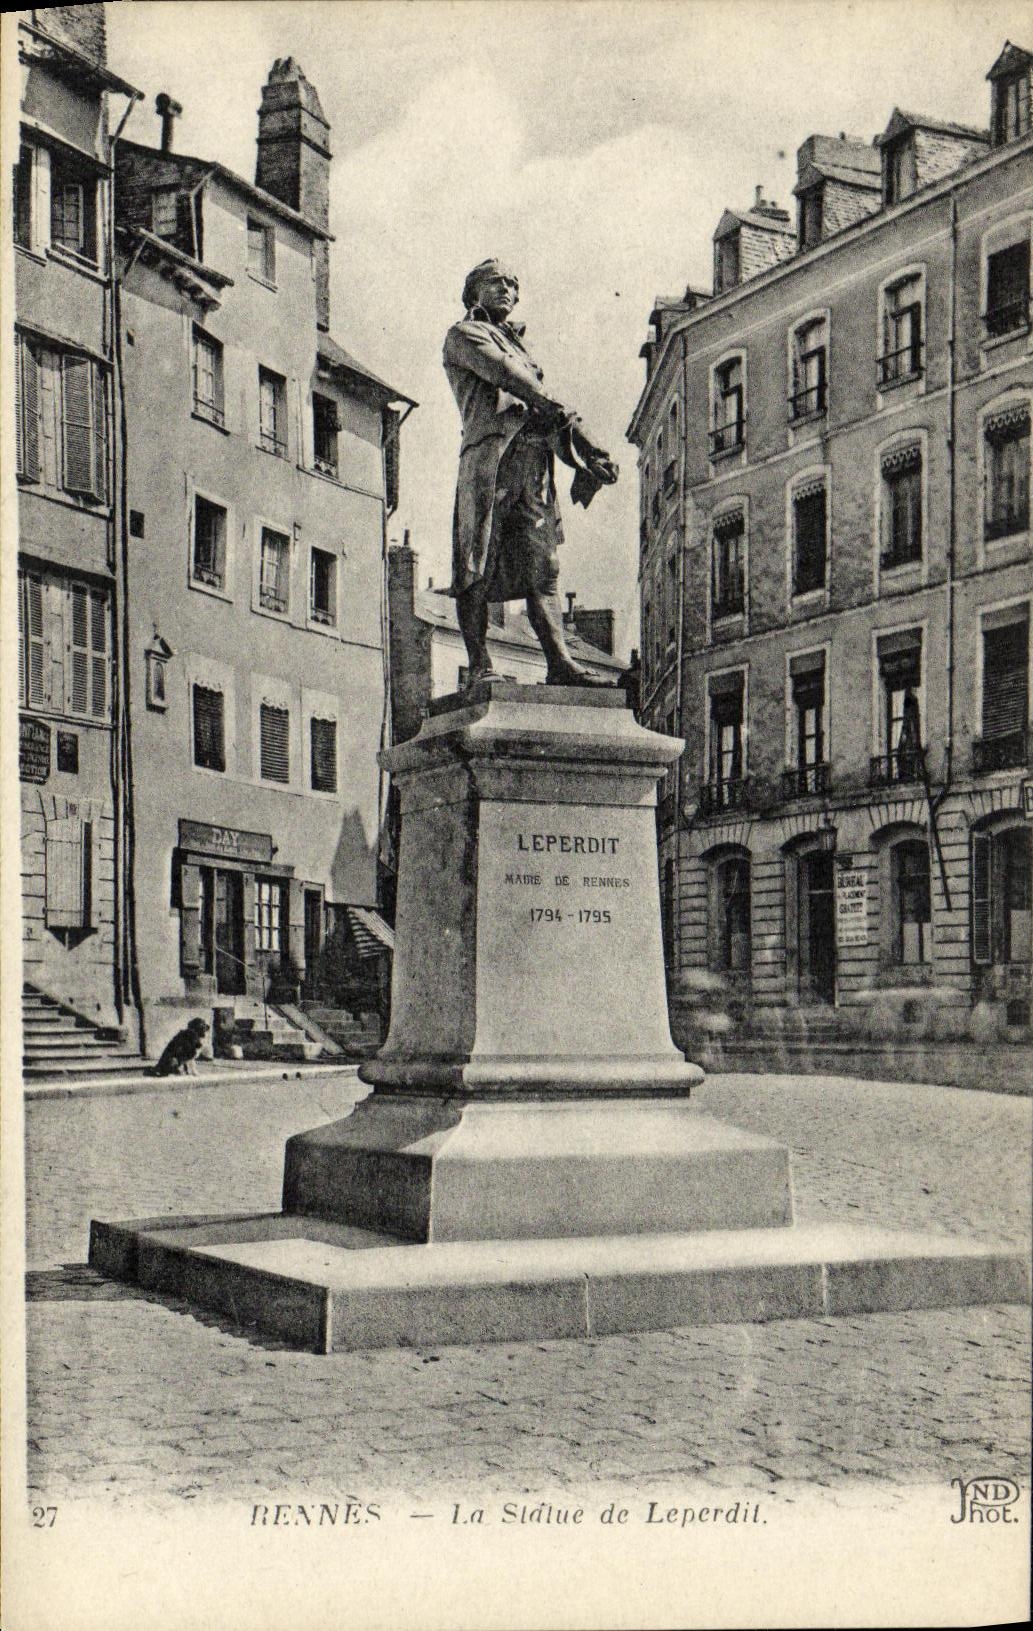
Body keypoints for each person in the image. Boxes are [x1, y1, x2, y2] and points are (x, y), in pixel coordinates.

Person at [444, 259, 619, 687]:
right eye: (495, 282)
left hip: (534, 467)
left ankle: (560, 663)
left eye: (512, 284)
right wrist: (559, 411)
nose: (506, 289)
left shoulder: (520, 346)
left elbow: (548, 406)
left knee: (545, 569)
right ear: (473, 293)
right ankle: (480, 662)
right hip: (491, 464)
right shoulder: (464, 334)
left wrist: (593, 450)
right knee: (476, 564)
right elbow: (510, 378)